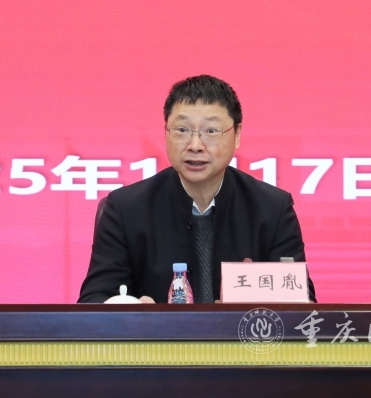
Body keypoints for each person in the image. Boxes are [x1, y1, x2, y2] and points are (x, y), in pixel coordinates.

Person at [78, 75, 316, 303]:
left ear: (237, 135)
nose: (195, 145)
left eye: (211, 131)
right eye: (182, 130)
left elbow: (301, 305)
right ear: (166, 132)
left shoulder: (273, 210)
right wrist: (136, 313)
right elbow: (94, 302)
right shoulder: (126, 209)